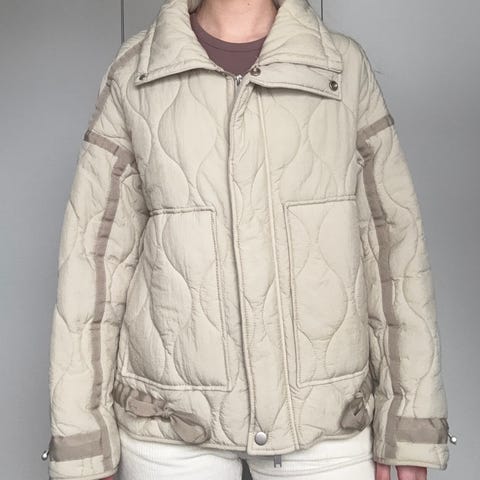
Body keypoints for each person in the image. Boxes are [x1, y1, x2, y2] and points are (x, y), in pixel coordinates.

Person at [43, 0, 454, 479]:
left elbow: (393, 252)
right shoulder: (136, 71)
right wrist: (83, 440)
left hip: (325, 422)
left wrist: (409, 423)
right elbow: (92, 263)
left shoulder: (342, 67)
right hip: (170, 425)